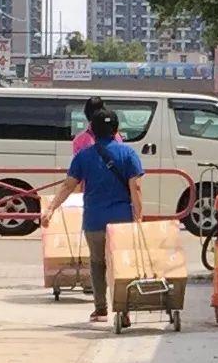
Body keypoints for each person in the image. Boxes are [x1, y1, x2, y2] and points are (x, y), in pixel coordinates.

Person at [42, 108, 143, 324]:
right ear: (116, 130)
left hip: (95, 220)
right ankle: (123, 310)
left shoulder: (83, 156)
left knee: (98, 264)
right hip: (121, 220)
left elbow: (68, 186)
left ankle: (100, 309)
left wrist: (51, 209)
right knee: (120, 264)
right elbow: (136, 188)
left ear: (93, 131)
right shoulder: (129, 154)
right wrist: (139, 216)